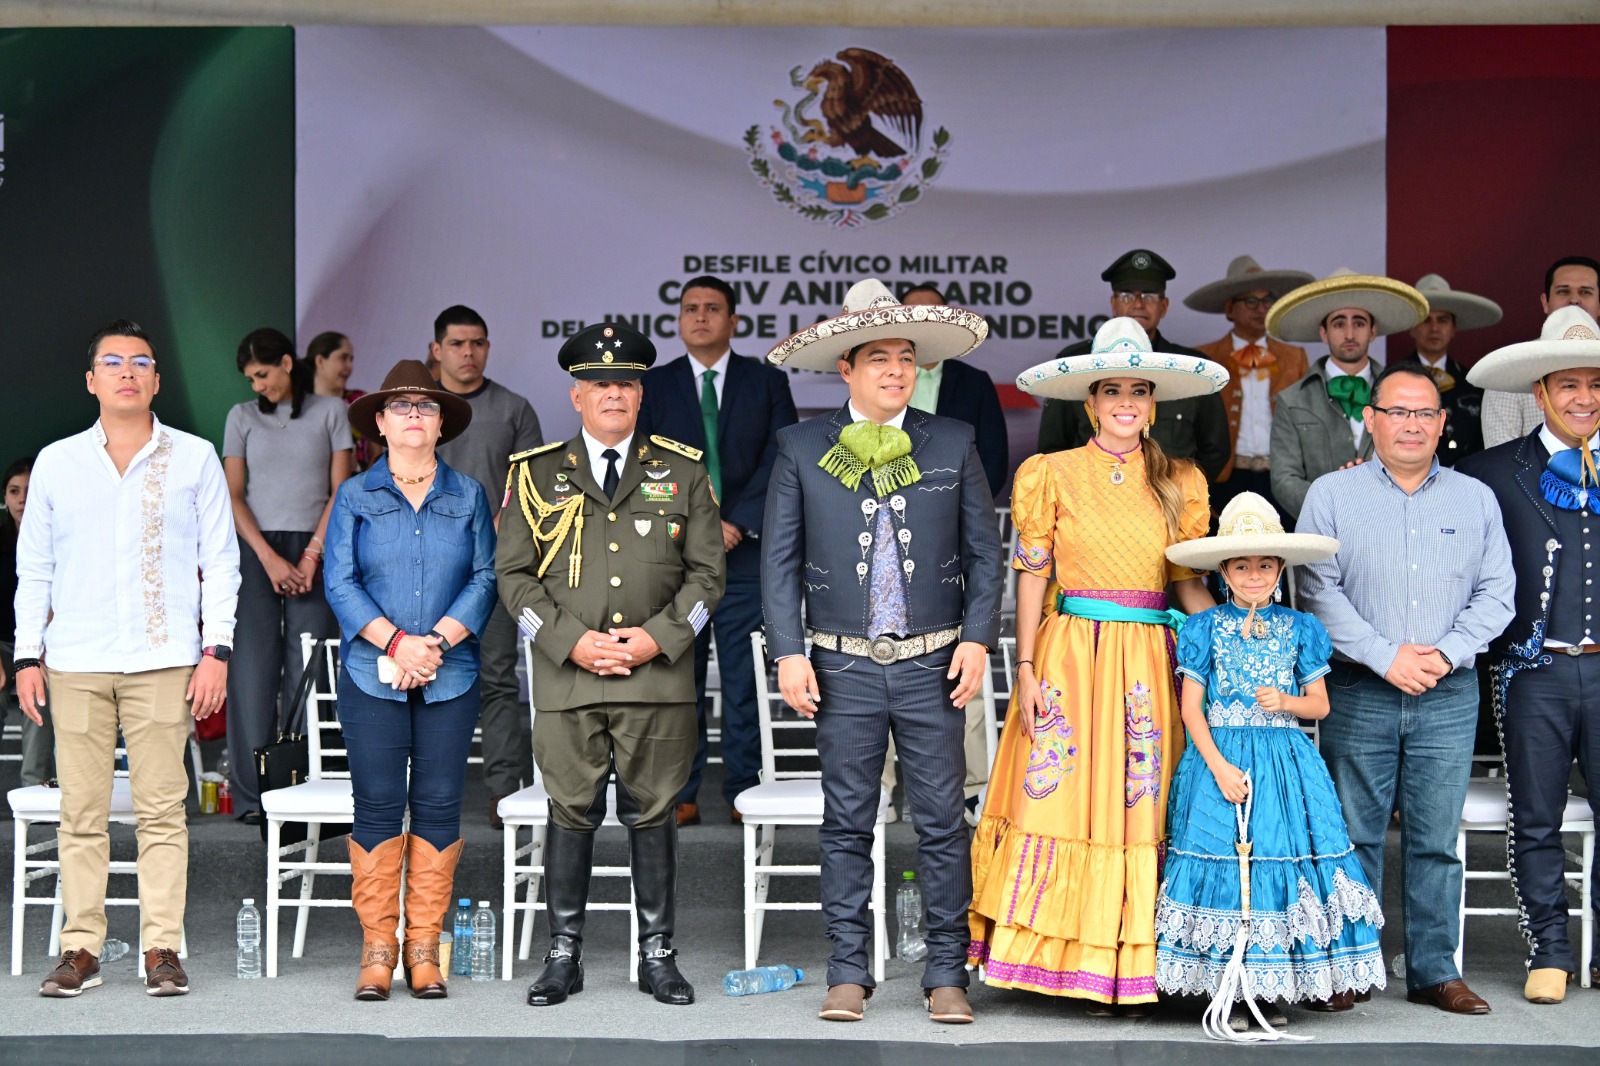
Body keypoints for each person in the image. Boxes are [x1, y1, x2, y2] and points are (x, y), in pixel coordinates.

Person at [763, 278, 1002, 1024]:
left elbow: (986, 556)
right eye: (878, 358)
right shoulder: (801, 445)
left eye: (905, 358)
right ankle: (847, 970)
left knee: (940, 820)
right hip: (841, 663)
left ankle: (945, 973)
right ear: (847, 368)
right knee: (846, 821)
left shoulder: (952, 439)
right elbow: (779, 561)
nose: (895, 370)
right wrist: (788, 653)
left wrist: (976, 639)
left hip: (936, 661)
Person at [971, 317, 1222, 1014]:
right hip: (1071, 653)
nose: (1125, 403)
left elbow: (1189, 584)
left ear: (1153, 402)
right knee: (1063, 798)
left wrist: (1232, 643)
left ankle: (1143, 959)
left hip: (1151, 657)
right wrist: (1024, 666)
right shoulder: (1049, 473)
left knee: (1143, 804)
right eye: (1112, 390)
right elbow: (1030, 574)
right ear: (1090, 402)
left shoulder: (1182, 479)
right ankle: (1056, 959)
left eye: (1138, 391)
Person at [498, 322, 723, 1008]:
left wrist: (660, 638)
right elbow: (513, 578)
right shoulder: (534, 474)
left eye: (625, 382)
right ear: (575, 396)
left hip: (658, 680)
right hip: (568, 679)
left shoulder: (682, 470)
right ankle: (562, 955)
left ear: (640, 391)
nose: (613, 394)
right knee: (571, 811)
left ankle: (658, 953)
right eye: (599, 385)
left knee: (653, 814)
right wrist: (569, 641)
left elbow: (709, 577)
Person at [16, 319, 239, 997]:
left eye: (140, 362)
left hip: (165, 657)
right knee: (80, 812)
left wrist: (217, 650)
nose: (126, 372)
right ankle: (81, 947)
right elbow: (36, 568)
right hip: (76, 659)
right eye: (111, 362)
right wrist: (28, 654)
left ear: (156, 380)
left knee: (161, 811)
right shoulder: (57, 461)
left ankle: (162, 948)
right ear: (91, 381)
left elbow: (220, 563)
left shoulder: (195, 456)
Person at [1296, 362, 1515, 1015]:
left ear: (1443, 423)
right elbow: (1315, 589)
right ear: (1372, 419)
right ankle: (1349, 968)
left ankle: (1434, 971)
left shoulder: (1475, 498)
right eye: (1398, 412)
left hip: (1448, 694)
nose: (1412, 424)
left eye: (1425, 413)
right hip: (1360, 687)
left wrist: (1442, 656)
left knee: (1435, 839)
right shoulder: (1330, 496)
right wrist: (1384, 655)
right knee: (1353, 834)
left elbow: (1497, 593)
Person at [1156, 492, 1385, 1033]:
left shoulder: (1299, 628)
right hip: (1221, 759)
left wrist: (1285, 703)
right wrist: (1216, 766)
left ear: (1279, 569)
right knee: (1222, 854)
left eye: (1264, 565)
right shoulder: (1204, 628)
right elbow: (1192, 707)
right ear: (1224, 572)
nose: (1253, 574)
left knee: (1281, 855)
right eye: (1241, 565)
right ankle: (1229, 989)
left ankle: (1279, 981)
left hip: (1283, 760)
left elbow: (1320, 704)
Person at [323, 360, 497, 1001]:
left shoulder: (469, 494)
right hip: (373, 670)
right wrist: (397, 642)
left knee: (439, 804)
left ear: (442, 423)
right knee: (373, 803)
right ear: (380, 422)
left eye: (426, 407)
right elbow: (339, 581)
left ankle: (424, 947)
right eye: (401, 407)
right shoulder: (355, 495)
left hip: (449, 672)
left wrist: (437, 643)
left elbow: (487, 577)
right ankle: (377, 950)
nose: (415, 415)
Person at [1458, 305, 1600, 1004]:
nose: (1583, 398)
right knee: (1534, 814)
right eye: (1567, 385)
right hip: (1531, 671)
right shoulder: (1489, 472)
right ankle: (1548, 947)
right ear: (1540, 393)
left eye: (1595, 384)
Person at [637, 275, 797, 827]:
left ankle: (743, 789)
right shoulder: (654, 387)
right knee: (677, 678)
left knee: (743, 678)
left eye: (712, 309)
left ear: (734, 321)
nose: (700, 317)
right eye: (690, 309)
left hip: (746, 556)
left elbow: (784, 459)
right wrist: (700, 527)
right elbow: (645, 466)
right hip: (675, 560)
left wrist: (736, 522)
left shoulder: (766, 381)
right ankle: (680, 789)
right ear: (678, 321)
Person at [223, 328, 354, 824]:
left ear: (284, 363)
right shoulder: (240, 416)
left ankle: (307, 790)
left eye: (262, 375)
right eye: (250, 379)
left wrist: (311, 557)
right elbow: (233, 495)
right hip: (254, 549)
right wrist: (270, 558)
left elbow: (341, 489)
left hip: (316, 546)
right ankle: (254, 798)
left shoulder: (330, 411)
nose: (257, 386)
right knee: (252, 670)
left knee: (313, 669)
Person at [428, 305, 544, 828]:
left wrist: (497, 531)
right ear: (437, 350)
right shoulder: (422, 409)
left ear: (488, 348)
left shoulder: (512, 408)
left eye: (477, 342)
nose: (468, 352)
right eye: (457, 343)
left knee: (497, 678)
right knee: (426, 676)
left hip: (495, 567)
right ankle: (429, 792)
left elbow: (531, 487)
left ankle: (503, 793)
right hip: (426, 569)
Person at [1037, 249, 1231, 483]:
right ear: (1113, 303)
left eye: (1149, 296)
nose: (1138, 304)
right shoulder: (1075, 362)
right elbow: (1053, 447)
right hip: (1090, 506)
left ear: (1164, 305)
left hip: (1171, 508)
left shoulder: (1189, 368)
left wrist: (1181, 494)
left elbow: (1215, 449)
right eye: (1127, 296)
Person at [1265, 271, 1429, 521]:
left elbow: (1420, 460)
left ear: (1373, 331)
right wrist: (1332, 511)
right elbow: (1283, 479)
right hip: (1320, 536)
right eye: (1339, 323)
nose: (1350, 333)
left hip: (1392, 524)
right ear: (1323, 333)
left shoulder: (1405, 396)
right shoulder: (1292, 399)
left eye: (1359, 323)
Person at [1187, 255, 1313, 516]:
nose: (1261, 308)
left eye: (1267, 300)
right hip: (1226, 477)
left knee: (1281, 552)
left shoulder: (1294, 356)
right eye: (1251, 301)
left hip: (1280, 477)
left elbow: (1307, 422)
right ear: (1229, 309)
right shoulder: (1204, 357)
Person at [1483, 257, 1600, 448]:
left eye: (1585, 292)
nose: (1574, 300)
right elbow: (1502, 462)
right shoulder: (1513, 370)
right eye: (1563, 291)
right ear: (1545, 302)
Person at [1393, 275, 1502, 466]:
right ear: (1412, 328)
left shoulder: (1474, 382)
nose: (1434, 328)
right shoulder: (1393, 380)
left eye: (1442, 320)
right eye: (1426, 320)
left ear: (1453, 329)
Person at [1, 456, 54, 787]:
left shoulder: (58, 539)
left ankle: (34, 790)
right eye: (13, 491)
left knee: (37, 691)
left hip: (42, 645)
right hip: (3, 645)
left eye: (29, 491)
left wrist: (40, 652)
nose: (21, 499)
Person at [307, 330, 382, 469]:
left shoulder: (360, 401)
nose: (349, 366)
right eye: (343, 358)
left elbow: (376, 455)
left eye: (351, 359)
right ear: (320, 361)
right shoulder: (302, 405)